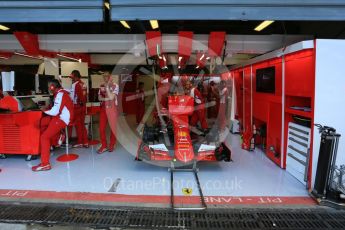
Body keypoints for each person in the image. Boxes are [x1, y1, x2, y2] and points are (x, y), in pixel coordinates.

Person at [32, 79, 74, 172]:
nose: (48, 88)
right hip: (58, 117)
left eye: (49, 86)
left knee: (44, 137)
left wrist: (43, 111)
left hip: (61, 119)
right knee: (39, 124)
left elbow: (55, 111)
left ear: (53, 86)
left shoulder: (60, 94)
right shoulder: (59, 93)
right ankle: (58, 135)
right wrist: (46, 110)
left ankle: (45, 164)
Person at [97, 71, 119, 154]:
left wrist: (107, 87)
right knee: (101, 128)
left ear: (110, 77)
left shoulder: (115, 85)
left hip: (112, 109)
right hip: (103, 109)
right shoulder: (101, 86)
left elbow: (111, 96)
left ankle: (112, 145)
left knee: (113, 128)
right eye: (104, 76)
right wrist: (106, 99)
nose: (105, 78)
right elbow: (99, 98)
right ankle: (104, 146)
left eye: (107, 76)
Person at [70, 70, 89, 148]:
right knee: (82, 125)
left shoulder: (74, 85)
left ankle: (80, 142)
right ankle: (86, 142)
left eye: (72, 77)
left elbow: (72, 97)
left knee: (78, 125)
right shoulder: (84, 84)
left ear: (75, 76)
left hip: (77, 107)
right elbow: (85, 96)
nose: (71, 78)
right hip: (83, 106)